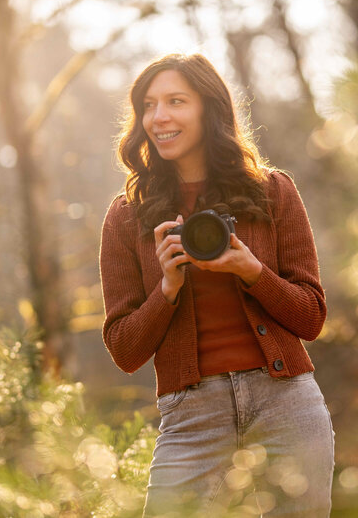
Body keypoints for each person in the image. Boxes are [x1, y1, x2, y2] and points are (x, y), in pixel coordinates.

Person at [99, 53, 334, 517]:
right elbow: (125, 351)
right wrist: (165, 289)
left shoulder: (272, 192)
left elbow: (311, 318)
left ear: (209, 107)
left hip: (285, 399)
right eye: (148, 105)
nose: (158, 117)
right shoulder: (127, 216)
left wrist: (252, 272)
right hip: (190, 415)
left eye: (175, 101)